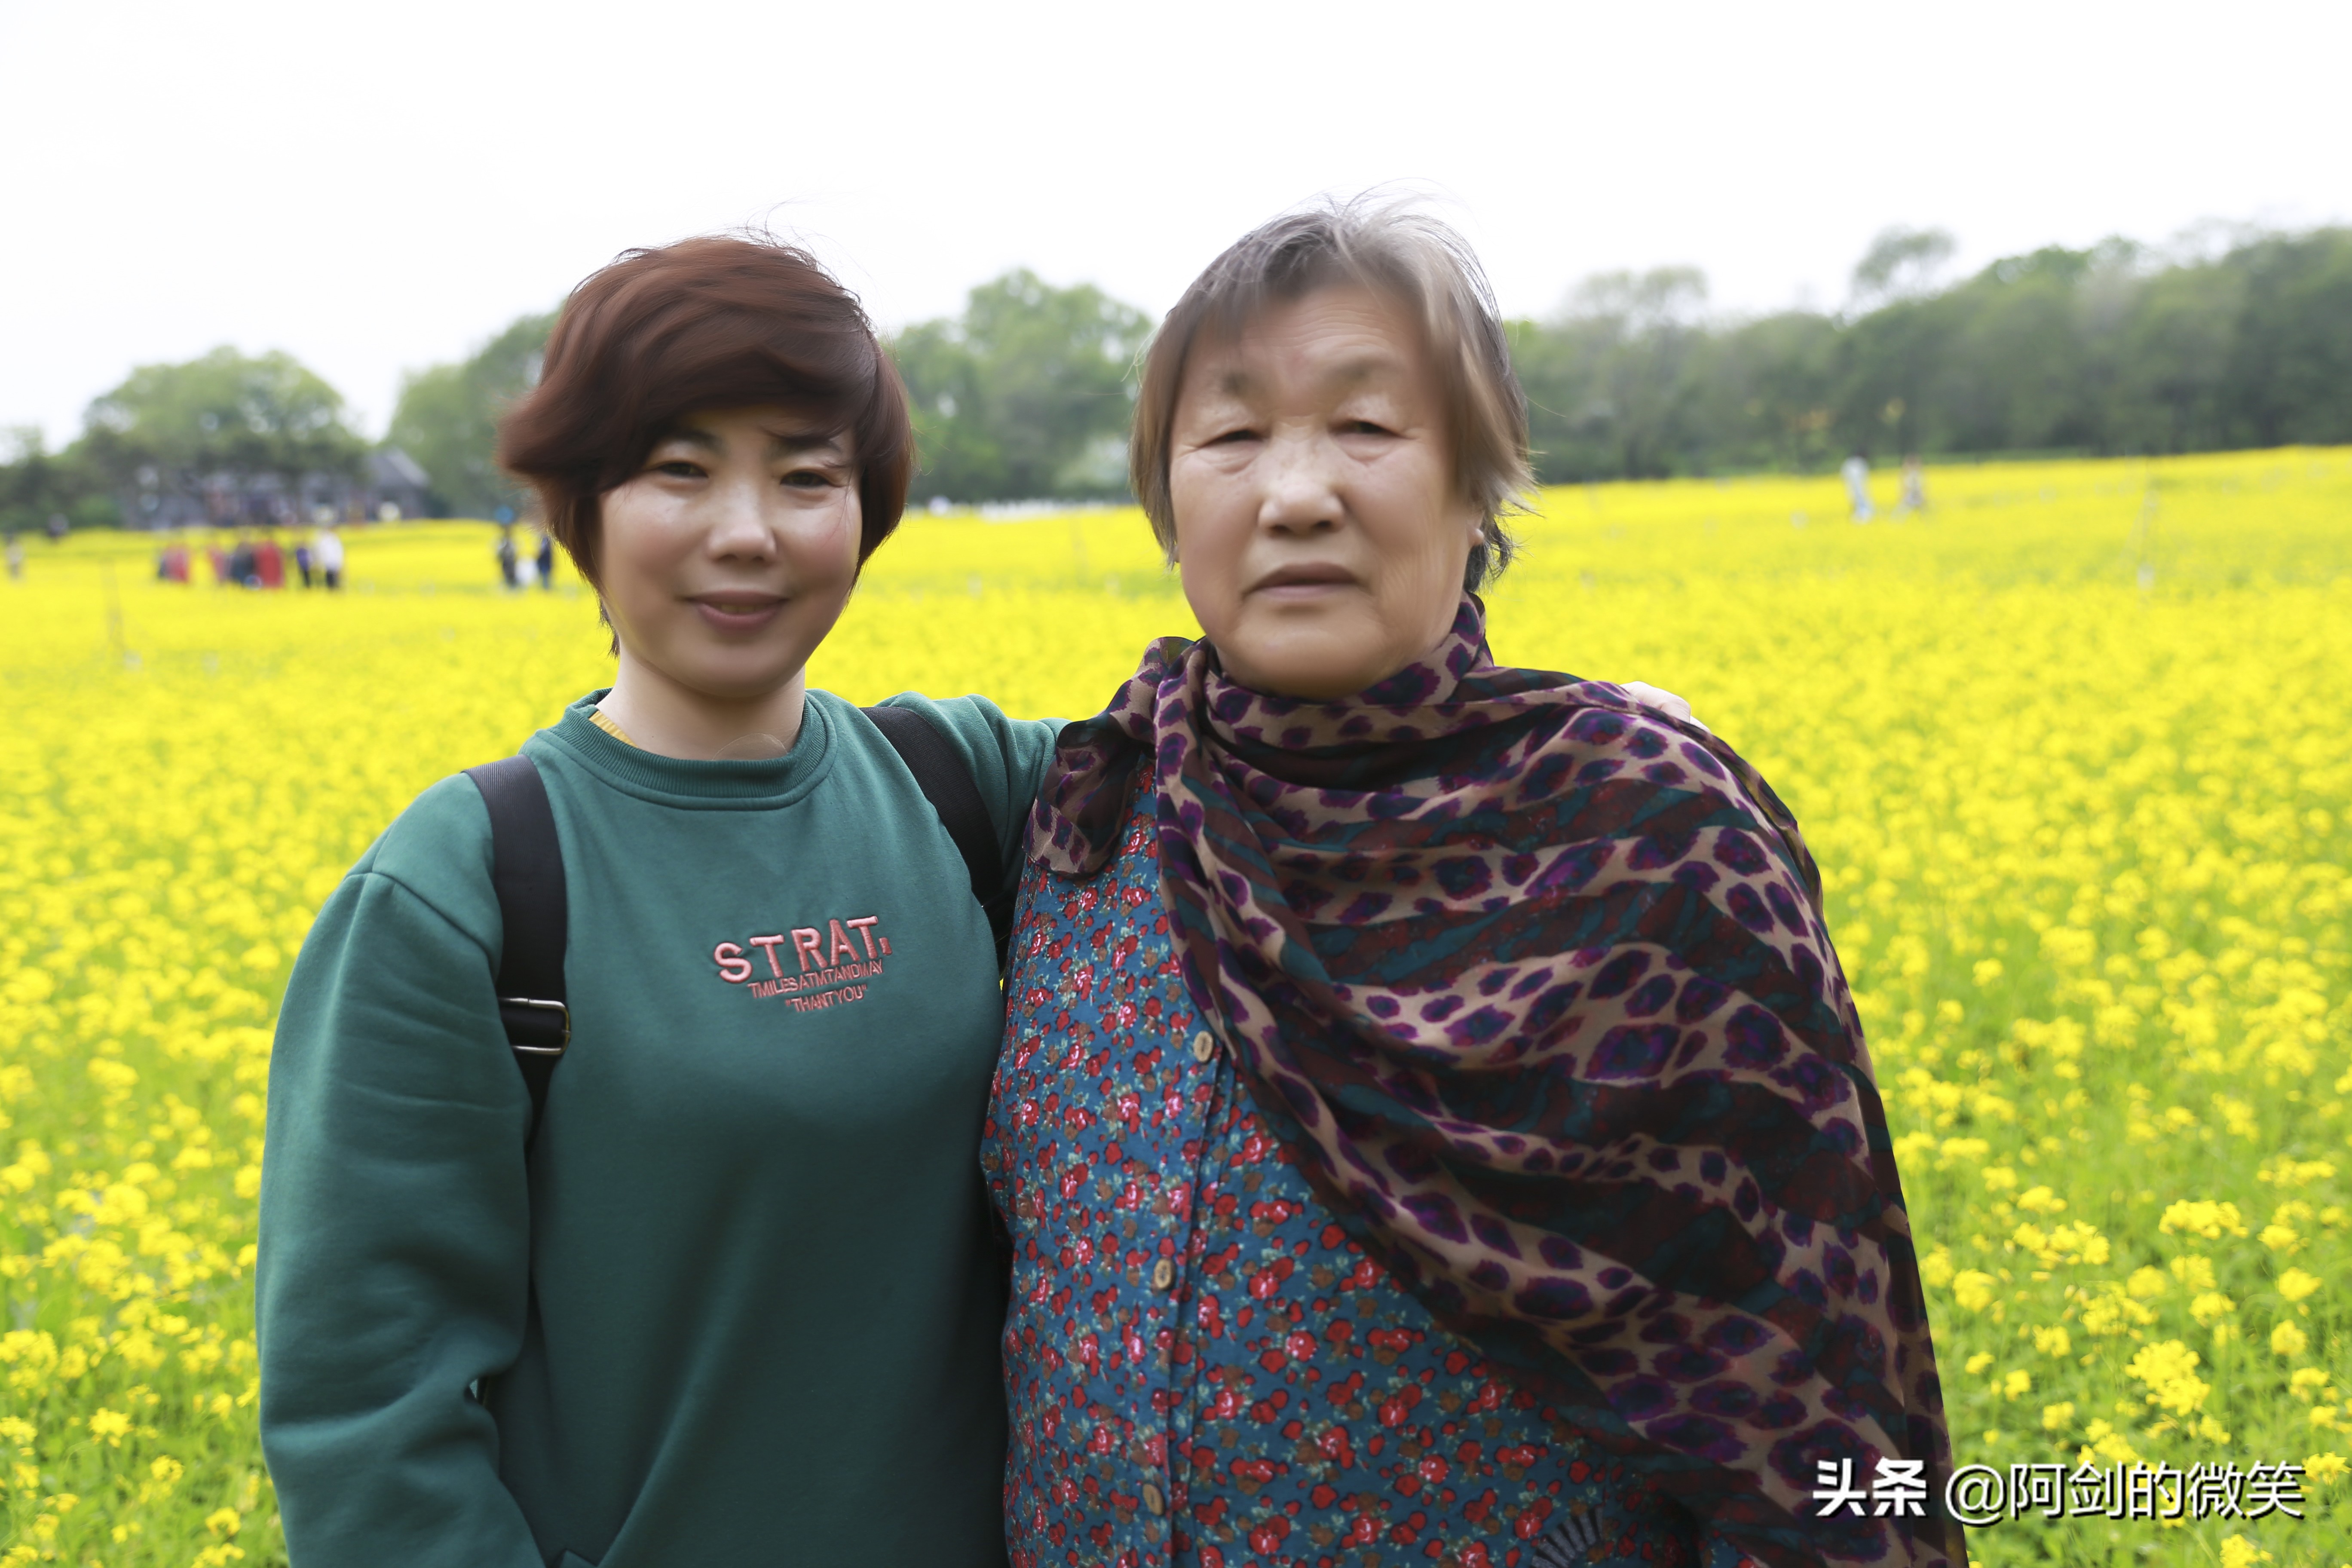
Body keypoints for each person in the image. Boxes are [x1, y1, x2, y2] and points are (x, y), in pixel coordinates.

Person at [984, 203, 1958, 1568]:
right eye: (1233, 435)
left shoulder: (1646, 831)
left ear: (1474, 486)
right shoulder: (1096, 819)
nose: (1297, 491)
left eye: (1368, 429)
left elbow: (1816, 1409)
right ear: (1165, 501)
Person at [258, 235, 1057, 1565]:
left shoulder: (964, 789)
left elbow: (1281, 762)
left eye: (807, 477)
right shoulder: (468, 886)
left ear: (869, 513)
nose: (746, 532)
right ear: (579, 507)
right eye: (679, 470)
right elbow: (365, 1420)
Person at [1841, 452, 1874, 523]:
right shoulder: (1861, 463)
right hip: (1859, 489)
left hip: (1852, 488)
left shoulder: (1848, 463)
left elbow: (1844, 475)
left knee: (1855, 500)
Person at [312, 521, 345, 590]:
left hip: (334, 561)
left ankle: (335, 589)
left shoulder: (334, 539)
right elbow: (321, 550)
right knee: (330, 577)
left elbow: (339, 552)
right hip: (329, 561)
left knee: (335, 577)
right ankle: (332, 589)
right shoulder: (325, 539)